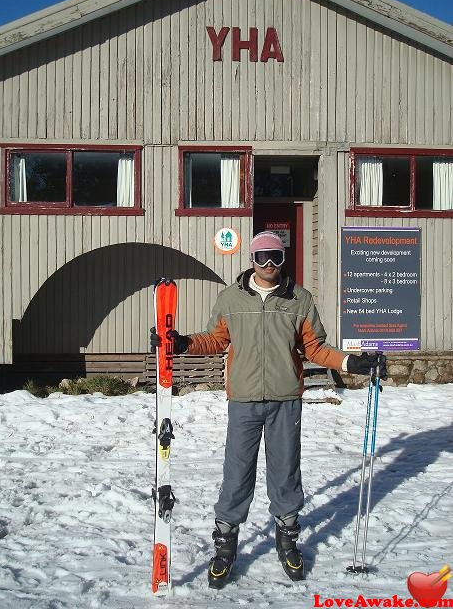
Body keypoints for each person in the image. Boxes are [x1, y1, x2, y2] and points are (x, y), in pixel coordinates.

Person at [150, 231, 387, 588]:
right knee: (237, 473)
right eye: (263, 257)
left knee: (285, 472)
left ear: (283, 258)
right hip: (244, 400)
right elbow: (215, 339)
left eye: (276, 256)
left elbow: (316, 349)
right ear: (251, 260)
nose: (270, 264)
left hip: (285, 400)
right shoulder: (230, 298)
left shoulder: (299, 300)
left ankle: (287, 538)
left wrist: (352, 362)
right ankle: (226, 545)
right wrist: (182, 343)